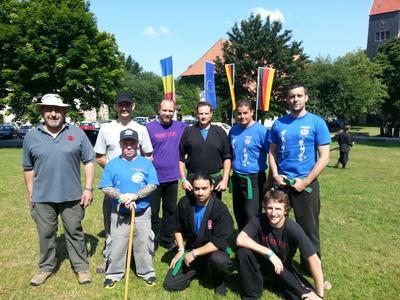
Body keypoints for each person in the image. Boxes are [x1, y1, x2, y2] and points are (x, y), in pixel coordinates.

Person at [22, 94, 95, 286]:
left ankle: (81, 267)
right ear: (42, 111)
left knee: (74, 231)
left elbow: (88, 161)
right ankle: (46, 268)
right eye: (48, 109)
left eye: (57, 110)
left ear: (64, 112)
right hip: (43, 197)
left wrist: (88, 188)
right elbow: (28, 168)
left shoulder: (77, 133)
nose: (53, 114)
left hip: (72, 196)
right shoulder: (31, 135)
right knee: (45, 233)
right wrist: (31, 192)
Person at [268, 82, 330, 272]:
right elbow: (272, 153)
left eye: (299, 96)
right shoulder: (279, 123)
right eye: (291, 96)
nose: (295, 99)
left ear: (306, 97)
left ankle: (311, 269)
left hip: (306, 184)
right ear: (287, 99)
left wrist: (306, 181)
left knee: (309, 229)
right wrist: (276, 175)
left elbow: (325, 157)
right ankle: (277, 264)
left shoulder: (317, 122)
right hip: (282, 185)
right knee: (275, 224)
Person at [94, 92, 153, 273]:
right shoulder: (106, 129)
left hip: (137, 188)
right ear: (115, 107)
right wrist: (116, 171)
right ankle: (109, 258)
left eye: (128, 104)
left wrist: (136, 175)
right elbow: (99, 156)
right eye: (121, 105)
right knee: (112, 225)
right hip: (113, 188)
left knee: (140, 226)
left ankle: (138, 260)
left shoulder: (141, 129)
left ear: (133, 106)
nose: (124, 108)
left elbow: (149, 155)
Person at [236, 190, 324, 300]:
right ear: (264, 207)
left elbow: (314, 259)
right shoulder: (259, 219)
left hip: (282, 268)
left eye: (278, 209)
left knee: (306, 295)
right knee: (243, 252)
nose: (273, 213)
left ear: (285, 210)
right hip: (261, 264)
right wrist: (269, 253)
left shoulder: (293, 228)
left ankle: (278, 284)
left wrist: (320, 294)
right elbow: (240, 239)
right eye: (269, 208)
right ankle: (251, 294)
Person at [99, 129, 158, 288]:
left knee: (143, 243)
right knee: (117, 244)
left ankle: (147, 272)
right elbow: (105, 187)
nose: (129, 146)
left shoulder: (146, 163)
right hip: (119, 213)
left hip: (142, 212)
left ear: (138, 145)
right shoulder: (112, 164)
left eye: (132, 143)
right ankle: (113, 273)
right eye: (126, 143)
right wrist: (122, 197)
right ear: (120, 144)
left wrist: (135, 196)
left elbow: (153, 185)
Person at [163, 173, 233, 296]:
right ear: (192, 188)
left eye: (204, 188)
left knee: (219, 260)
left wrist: (194, 254)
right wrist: (180, 249)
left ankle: (219, 280)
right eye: (197, 189)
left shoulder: (220, 209)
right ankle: (199, 269)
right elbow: (176, 227)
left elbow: (220, 242)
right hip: (192, 248)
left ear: (211, 187)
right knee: (171, 284)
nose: (200, 193)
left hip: (213, 250)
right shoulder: (185, 203)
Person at [146, 99, 187, 250]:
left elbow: (197, 128)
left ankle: (168, 238)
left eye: (171, 111)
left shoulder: (180, 127)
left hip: (172, 177)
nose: (167, 113)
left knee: (170, 211)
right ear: (159, 110)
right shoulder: (149, 128)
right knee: (154, 211)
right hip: (153, 178)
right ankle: (154, 239)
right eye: (165, 110)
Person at [229, 99, 270, 230]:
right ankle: (242, 243)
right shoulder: (233, 131)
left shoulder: (262, 131)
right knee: (239, 212)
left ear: (252, 112)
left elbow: (273, 154)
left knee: (252, 214)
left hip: (254, 180)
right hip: (237, 178)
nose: (242, 116)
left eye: (245, 113)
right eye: (239, 114)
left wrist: (272, 179)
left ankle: (254, 243)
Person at [179, 101, 231, 200]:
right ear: (196, 114)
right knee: (192, 212)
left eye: (206, 113)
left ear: (211, 114)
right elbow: (180, 158)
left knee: (212, 213)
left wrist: (225, 179)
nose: (203, 116)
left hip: (214, 182)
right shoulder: (188, 132)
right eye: (201, 113)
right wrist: (183, 180)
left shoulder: (220, 132)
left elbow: (227, 158)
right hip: (193, 182)